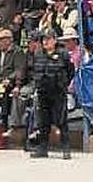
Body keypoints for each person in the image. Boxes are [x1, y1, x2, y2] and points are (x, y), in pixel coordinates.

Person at [29, 30, 75, 159]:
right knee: (43, 122)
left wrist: (63, 84)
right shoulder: (38, 54)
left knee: (61, 121)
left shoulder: (63, 54)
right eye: (44, 40)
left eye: (48, 39)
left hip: (58, 92)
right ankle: (42, 149)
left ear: (55, 40)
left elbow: (70, 71)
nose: (45, 42)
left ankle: (66, 149)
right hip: (43, 92)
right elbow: (34, 71)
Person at [0, 28, 27, 135]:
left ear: (9, 40)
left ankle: (5, 120)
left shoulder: (17, 52)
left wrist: (12, 80)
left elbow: (19, 70)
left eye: (1, 40)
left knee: (7, 89)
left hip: (12, 80)